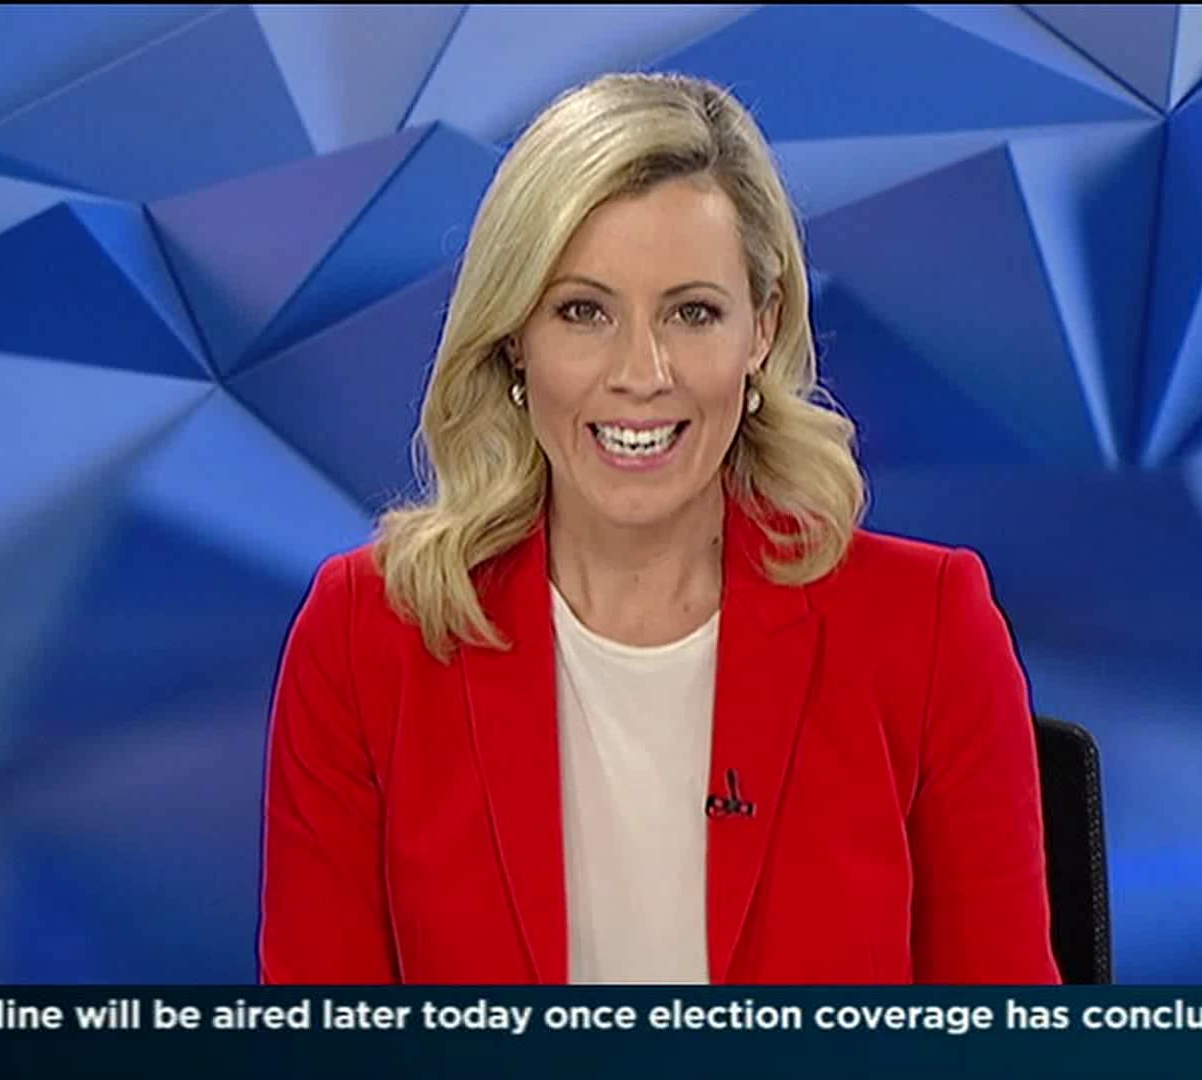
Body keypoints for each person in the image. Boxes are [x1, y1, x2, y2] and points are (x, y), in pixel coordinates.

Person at [259, 72, 1059, 985]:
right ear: (515, 336)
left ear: (761, 331)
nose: (641, 373)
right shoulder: (367, 639)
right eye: (583, 311)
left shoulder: (927, 631)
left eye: (692, 313)